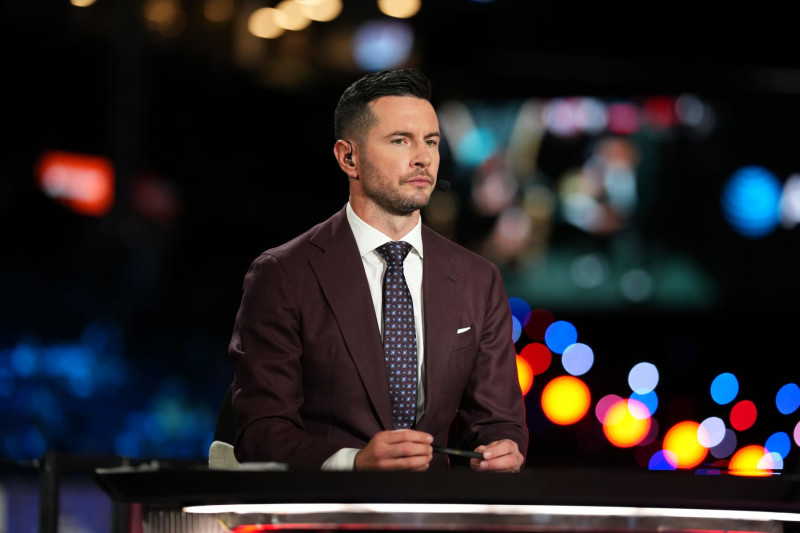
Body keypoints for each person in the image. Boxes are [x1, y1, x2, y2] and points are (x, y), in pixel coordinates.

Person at [228, 68, 528, 472]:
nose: (423, 157)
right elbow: (260, 431)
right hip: (325, 514)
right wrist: (354, 463)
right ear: (348, 157)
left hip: (430, 515)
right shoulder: (283, 275)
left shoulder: (478, 278)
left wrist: (501, 448)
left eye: (432, 142)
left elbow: (496, 421)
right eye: (401, 140)